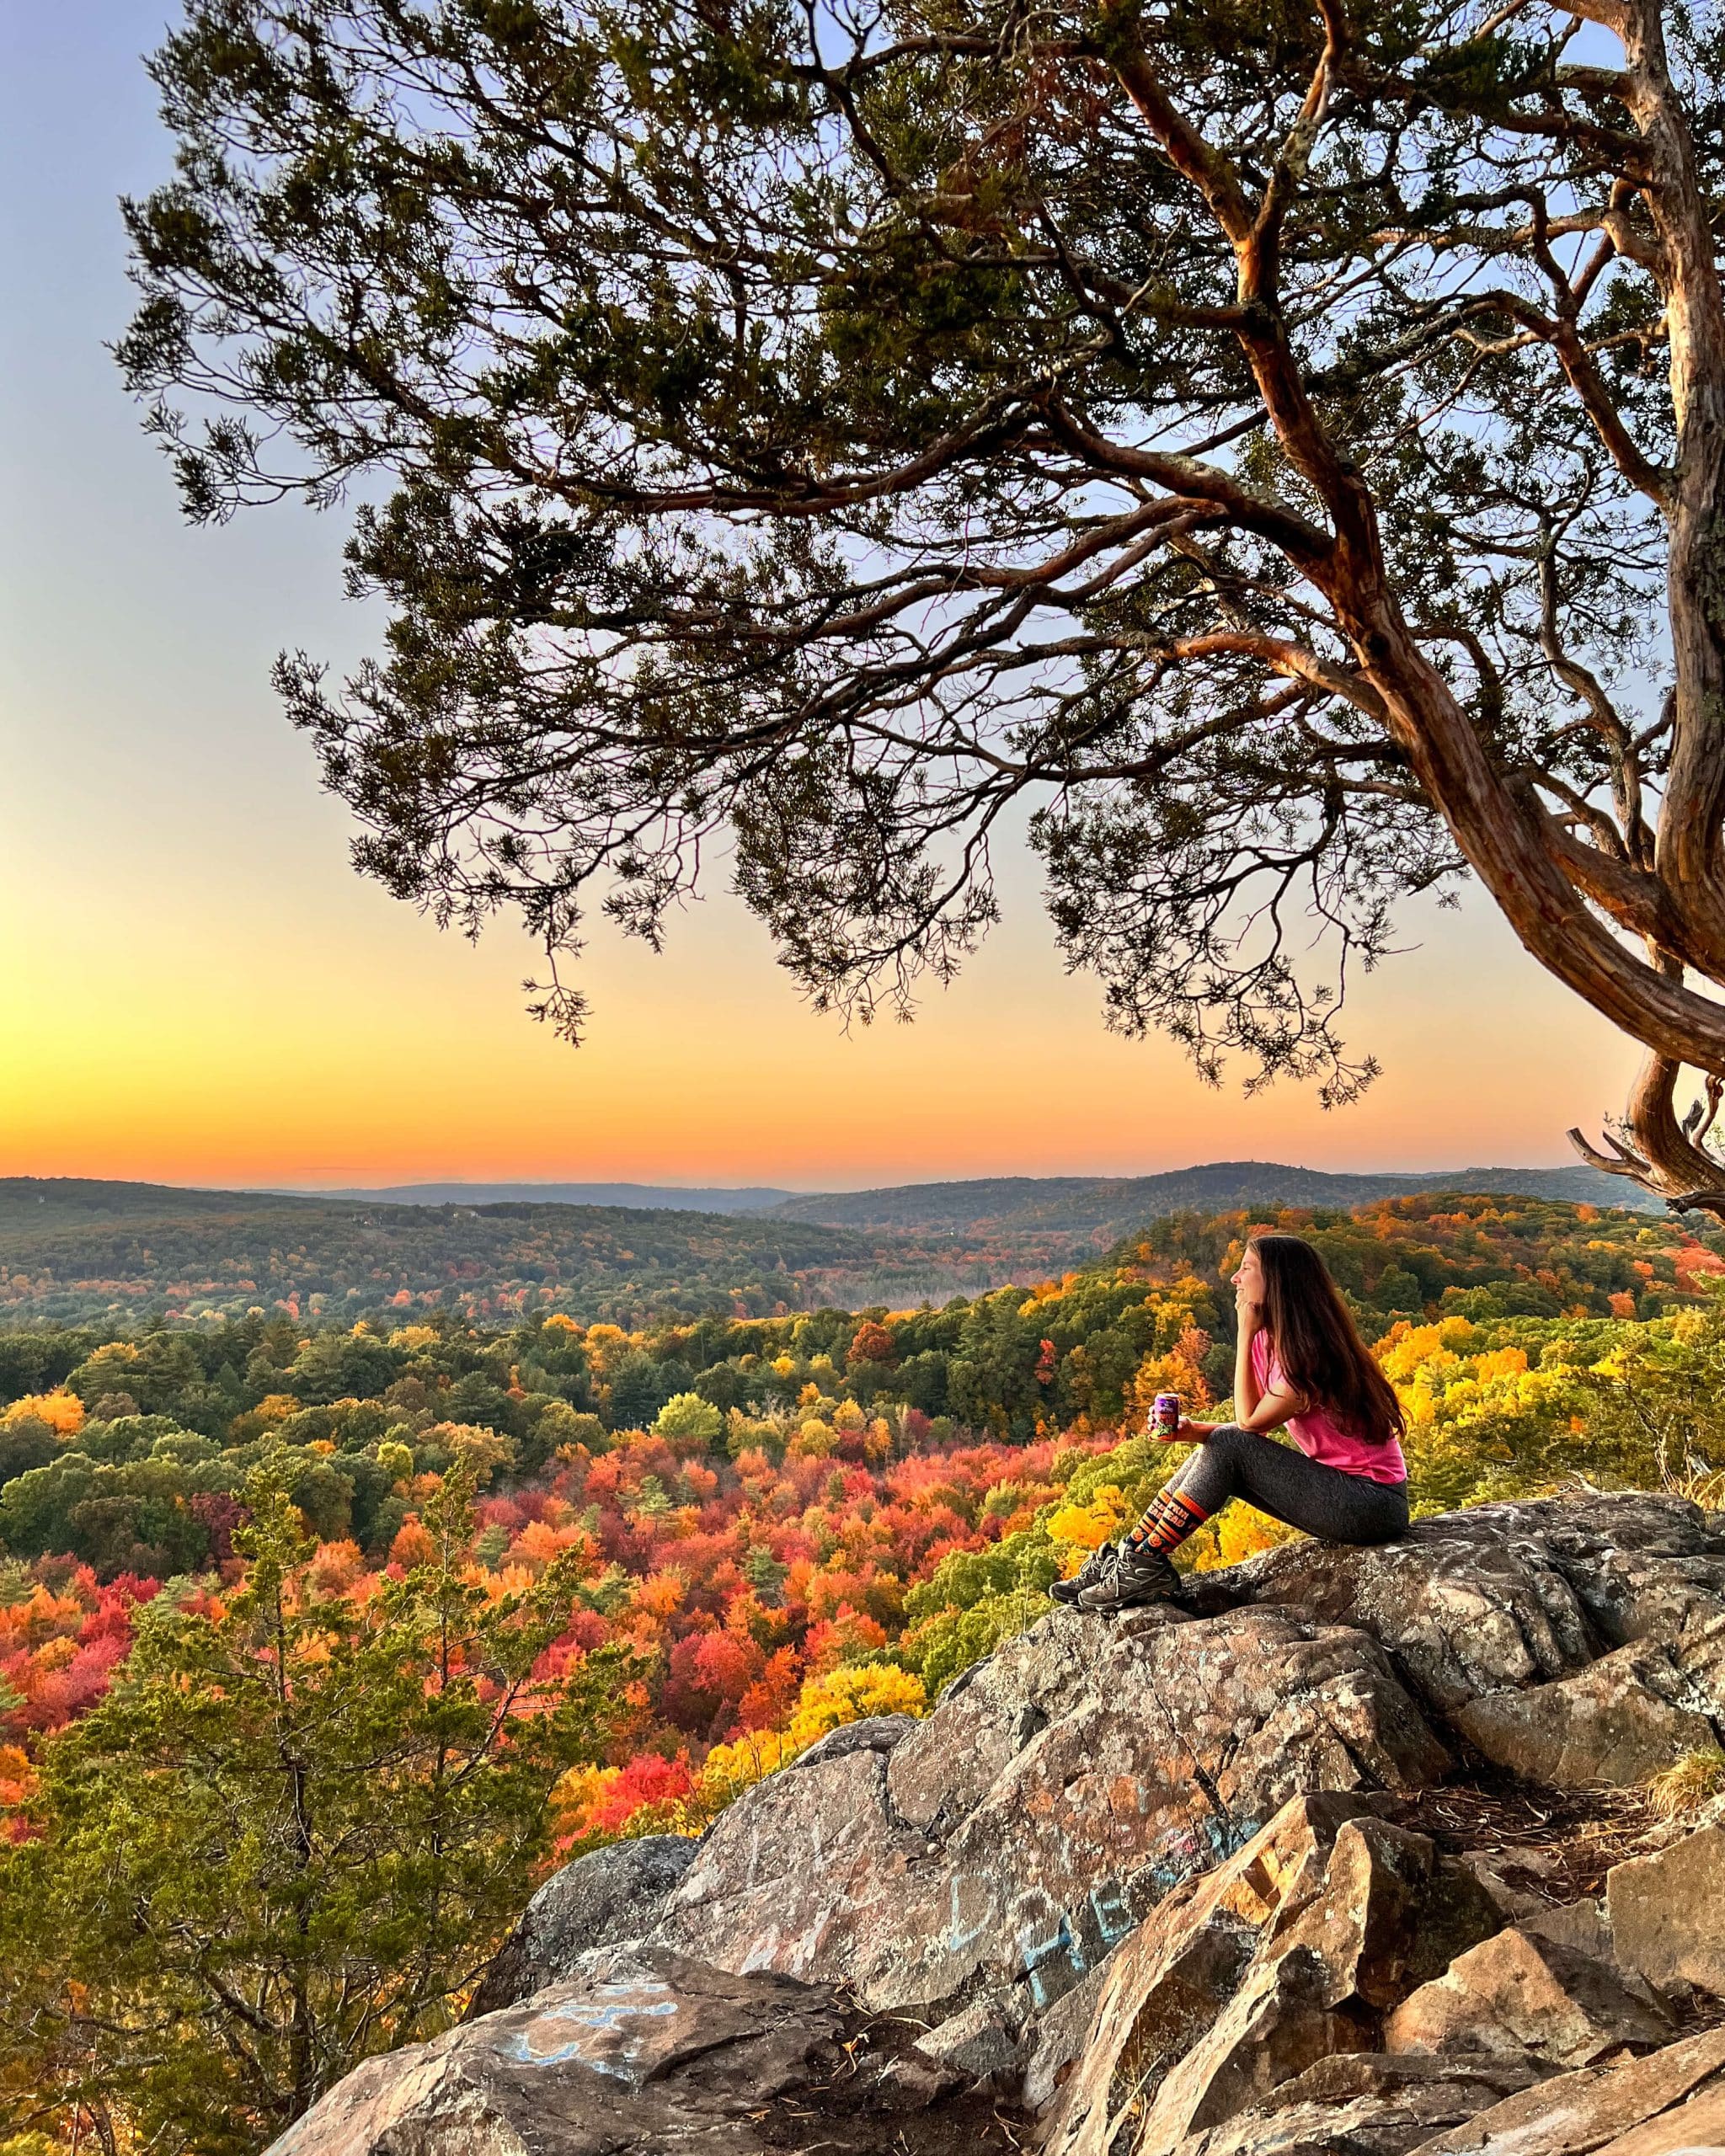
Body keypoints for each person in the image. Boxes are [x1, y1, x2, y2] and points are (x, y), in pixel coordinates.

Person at [1053, 1232, 1409, 1613]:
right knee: (1219, 1443)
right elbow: (1248, 1432)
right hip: (1343, 1495)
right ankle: (1133, 1554)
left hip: (1371, 1506)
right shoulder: (1274, 1342)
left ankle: (1145, 1562)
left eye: (1246, 1268)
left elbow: (1249, 1425)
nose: (1235, 1279)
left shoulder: (1311, 1356)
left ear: (1277, 1282)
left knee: (1226, 1444)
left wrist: (1245, 1331)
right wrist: (1192, 1432)